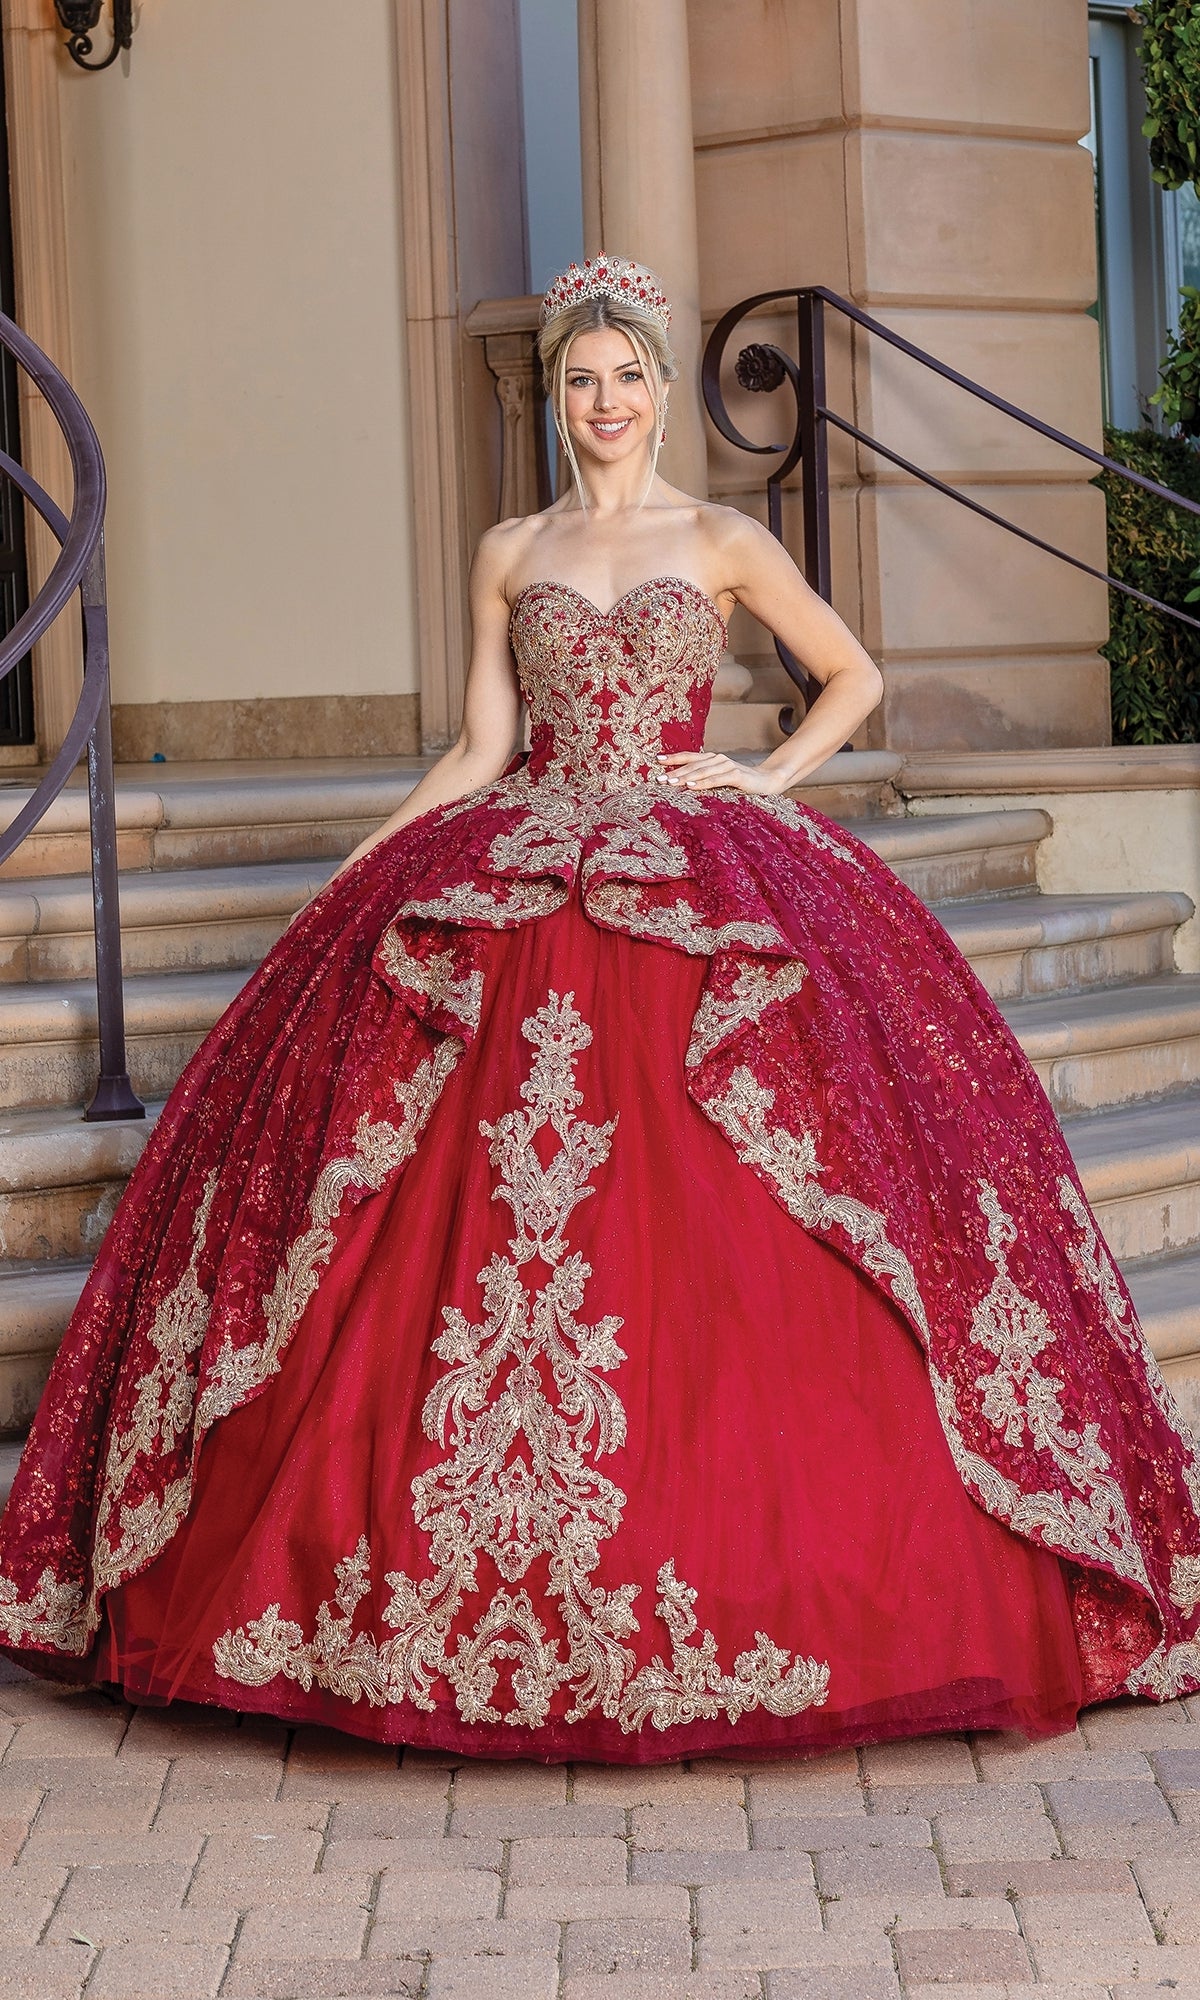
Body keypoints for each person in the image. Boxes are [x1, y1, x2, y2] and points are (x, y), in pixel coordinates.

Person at [1, 255, 1198, 1764]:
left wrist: (759, 782)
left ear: (654, 391)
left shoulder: (724, 536)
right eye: (584, 376)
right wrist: (360, 872)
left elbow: (854, 676)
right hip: (527, 854)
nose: (609, 400)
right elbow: (478, 746)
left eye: (631, 373)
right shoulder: (511, 546)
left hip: (697, 860)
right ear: (555, 393)